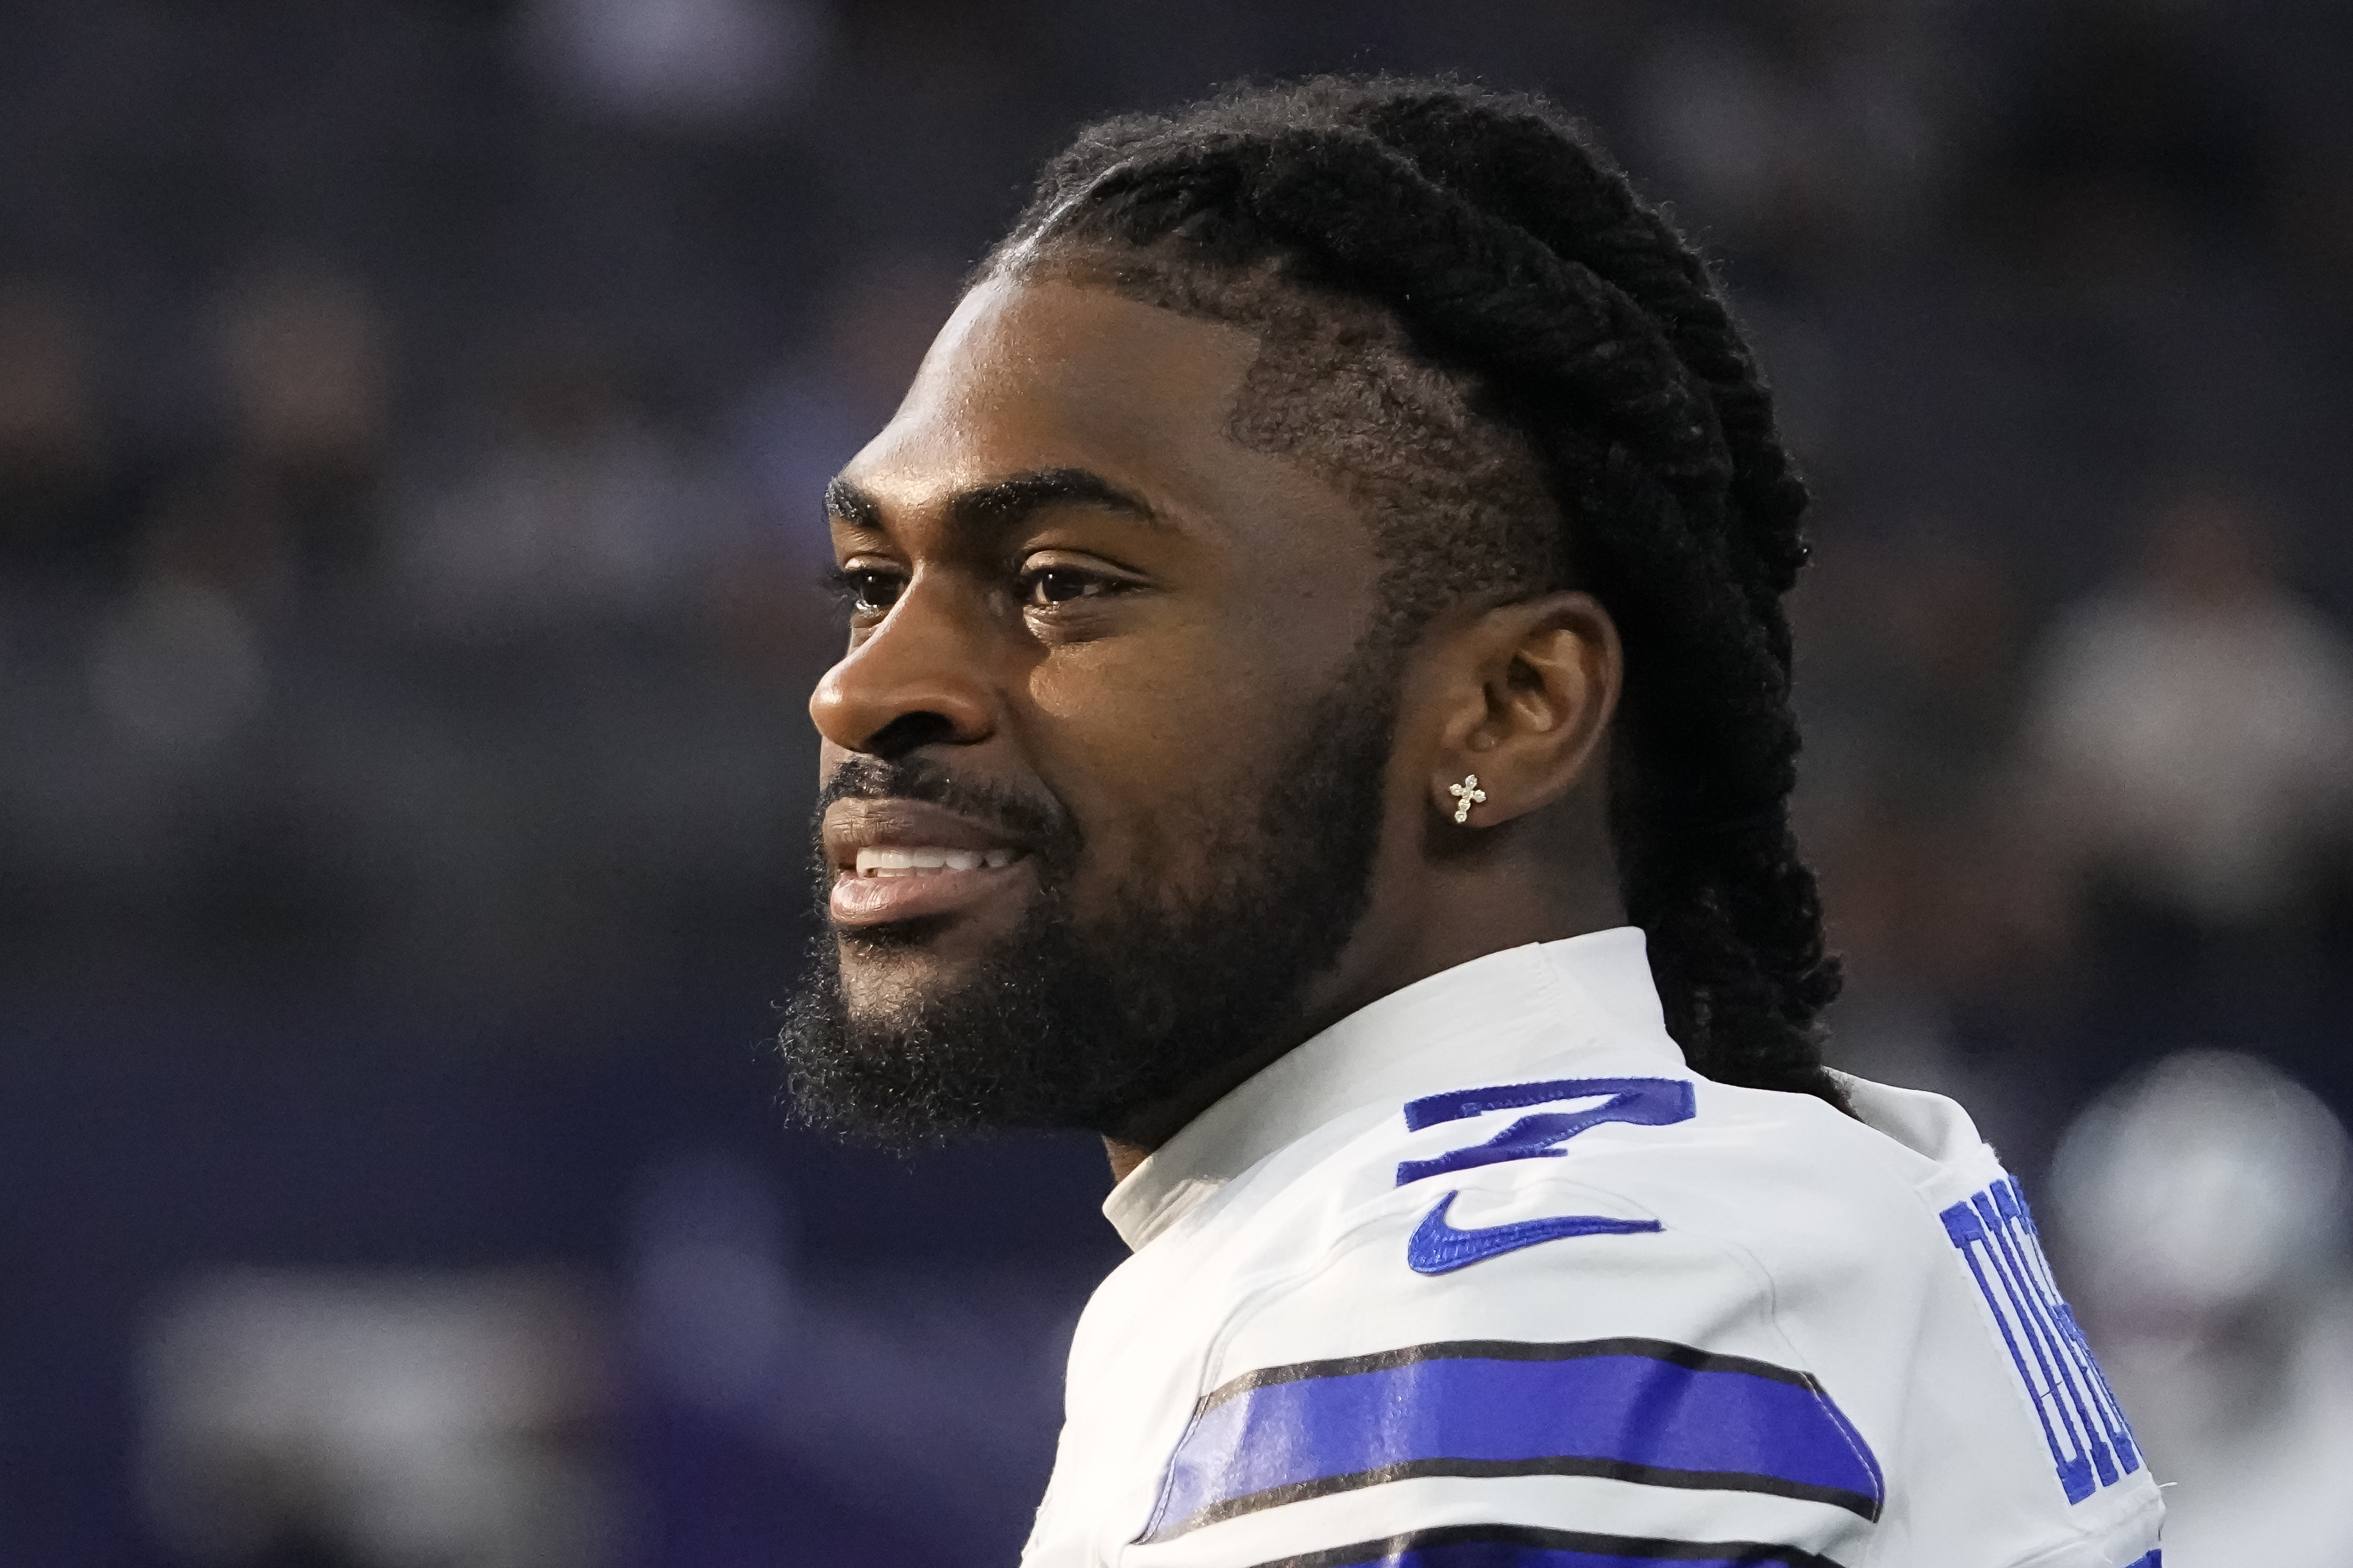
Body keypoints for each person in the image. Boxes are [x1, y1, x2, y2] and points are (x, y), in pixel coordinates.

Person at [778, 77, 2162, 1568]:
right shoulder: (1661, 1207)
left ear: (1510, 708)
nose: (864, 692)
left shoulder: (1498, 1302)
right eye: (870, 585)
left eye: (1062, 582)